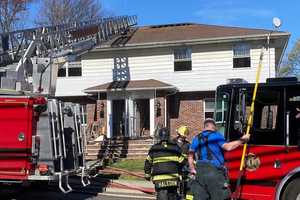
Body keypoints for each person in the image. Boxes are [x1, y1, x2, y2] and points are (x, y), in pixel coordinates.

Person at [188, 118, 250, 200]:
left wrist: (192, 169)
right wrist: (242, 140)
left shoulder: (196, 138)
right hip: (214, 172)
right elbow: (228, 147)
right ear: (213, 126)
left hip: (199, 173)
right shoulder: (216, 135)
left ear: (205, 126)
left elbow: (190, 156)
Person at [144, 127, 185, 200]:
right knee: (173, 196)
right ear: (168, 136)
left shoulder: (154, 148)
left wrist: (147, 175)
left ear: (159, 136)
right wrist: (182, 174)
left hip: (159, 180)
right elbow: (183, 162)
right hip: (173, 179)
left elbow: (148, 163)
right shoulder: (175, 147)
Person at [172, 125, 191, 198]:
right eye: (183, 136)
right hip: (174, 165)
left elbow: (191, 155)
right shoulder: (172, 142)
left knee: (184, 180)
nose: (184, 137)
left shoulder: (188, 144)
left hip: (184, 166)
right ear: (179, 134)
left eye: (185, 136)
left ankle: (183, 195)